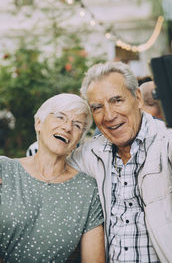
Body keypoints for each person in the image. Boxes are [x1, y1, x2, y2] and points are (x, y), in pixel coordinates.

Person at [69, 61, 172, 263]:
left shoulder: (169, 138)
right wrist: (8, 170)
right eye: (97, 107)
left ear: (137, 98)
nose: (109, 115)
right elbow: (50, 169)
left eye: (117, 100)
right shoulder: (91, 152)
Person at [0, 93, 105, 263]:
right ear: (38, 123)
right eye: (60, 117)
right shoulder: (3, 169)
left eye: (77, 125)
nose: (67, 127)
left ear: (79, 138)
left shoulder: (87, 189)